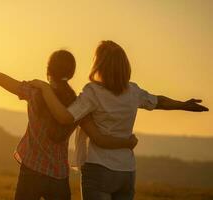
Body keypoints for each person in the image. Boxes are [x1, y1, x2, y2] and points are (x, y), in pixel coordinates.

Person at [0, 47, 138, 200]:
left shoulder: (34, 92)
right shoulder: (78, 105)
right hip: (59, 177)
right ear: (72, 74)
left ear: (48, 71)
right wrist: (126, 142)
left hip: (31, 171)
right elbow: (98, 137)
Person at [29, 40, 209, 200]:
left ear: (100, 65)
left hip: (99, 169)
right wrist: (183, 105)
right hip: (127, 172)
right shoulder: (133, 91)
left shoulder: (93, 92)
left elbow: (65, 117)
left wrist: (45, 89)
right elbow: (158, 101)